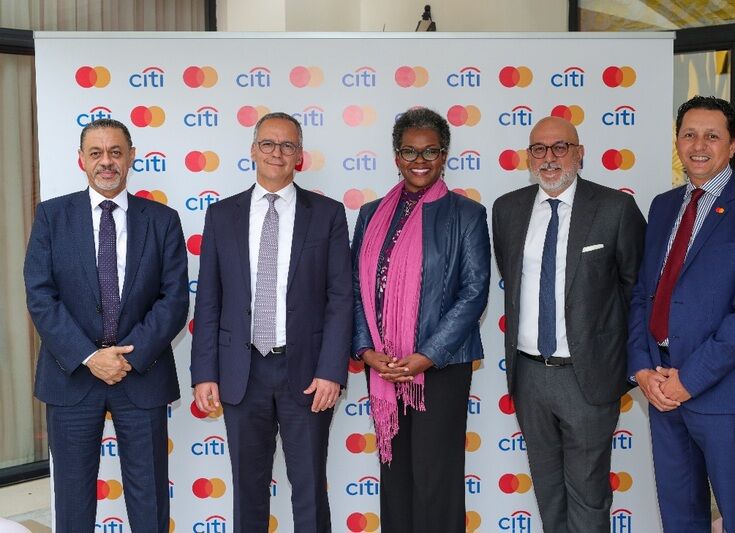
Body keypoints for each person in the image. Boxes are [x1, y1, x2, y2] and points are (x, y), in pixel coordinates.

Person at [628, 96, 735, 533]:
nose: (699, 145)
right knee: (680, 515)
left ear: (732, 145)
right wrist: (642, 369)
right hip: (660, 386)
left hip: (722, 394)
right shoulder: (662, 206)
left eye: (712, 136)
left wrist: (689, 380)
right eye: (689, 134)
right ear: (677, 142)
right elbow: (643, 294)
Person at [24, 118, 188, 531]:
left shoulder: (163, 220)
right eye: (96, 153)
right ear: (81, 160)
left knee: (149, 500)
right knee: (73, 501)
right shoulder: (51, 216)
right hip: (72, 377)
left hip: (141, 375)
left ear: (131, 157)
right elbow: (40, 295)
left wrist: (127, 357)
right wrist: (89, 356)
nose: (106, 162)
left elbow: (174, 299)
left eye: (116, 152)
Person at [191, 112, 352, 532]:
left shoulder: (328, 214)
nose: (276, 153)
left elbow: (340, 298)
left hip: (308, 375)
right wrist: (205, 373)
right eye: (268, 143)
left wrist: (331, 371)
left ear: (300, 154)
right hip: (240, 373)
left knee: (310, 489)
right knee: (247, 490)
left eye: (287, 145)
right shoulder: (221, 215)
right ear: (253, 150)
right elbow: (208, 300)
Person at [493, 116, 646, 533]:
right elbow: (511, 277)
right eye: (539, 149)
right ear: (528, 157)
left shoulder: (615, 209)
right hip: (528, 375)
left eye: (560, 147)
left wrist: (629, 366)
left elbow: (637, 293)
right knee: (548, 491)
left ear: (580, 153)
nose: (549, 157)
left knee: (588, 494)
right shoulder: (507, 210)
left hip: (588, 377)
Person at [351, 107, 490, 533]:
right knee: (395, 477)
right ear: (396, 156)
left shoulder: (466, 214)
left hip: (441, 368)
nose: (420, 160)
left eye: (430, 151)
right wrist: (366, 351)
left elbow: (474, 292)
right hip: (385, 367)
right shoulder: (371, 213)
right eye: (410, 151)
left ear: (444, 154)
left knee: (436, 479)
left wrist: (426, 355)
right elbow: (355, 287)